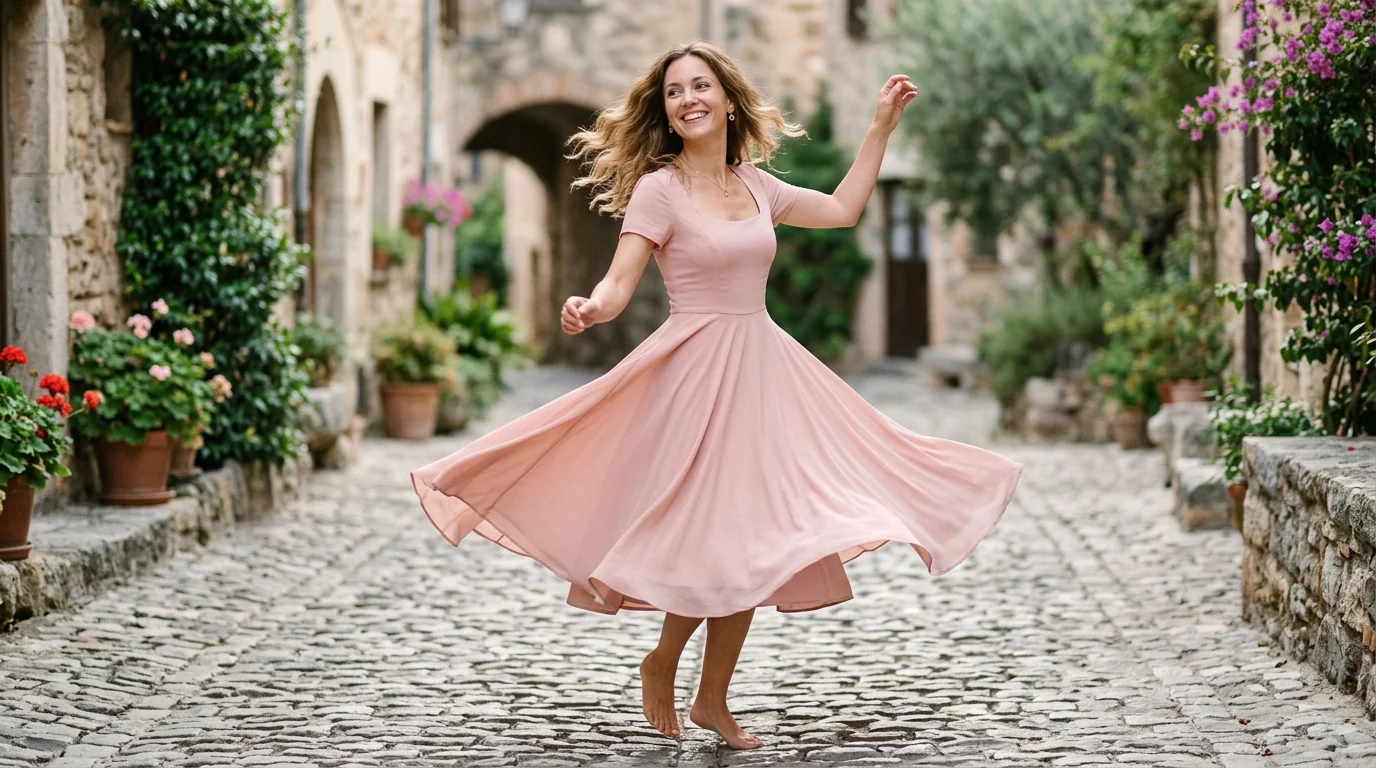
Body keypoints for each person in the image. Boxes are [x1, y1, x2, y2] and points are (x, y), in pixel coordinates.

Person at [410, 41, 1023, 751]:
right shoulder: (659, 190)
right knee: (710, 537)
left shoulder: (759, 186)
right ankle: (665, 661)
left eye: (701, 86)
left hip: (763, 374)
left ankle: (710, 698)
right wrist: (591, 307)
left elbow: (846, 209)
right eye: (675, 91)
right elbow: (618, 282)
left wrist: (880, 128)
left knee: (756, 541)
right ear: (666, 111)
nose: (688, 99)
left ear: (728, 99)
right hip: (693, 379)